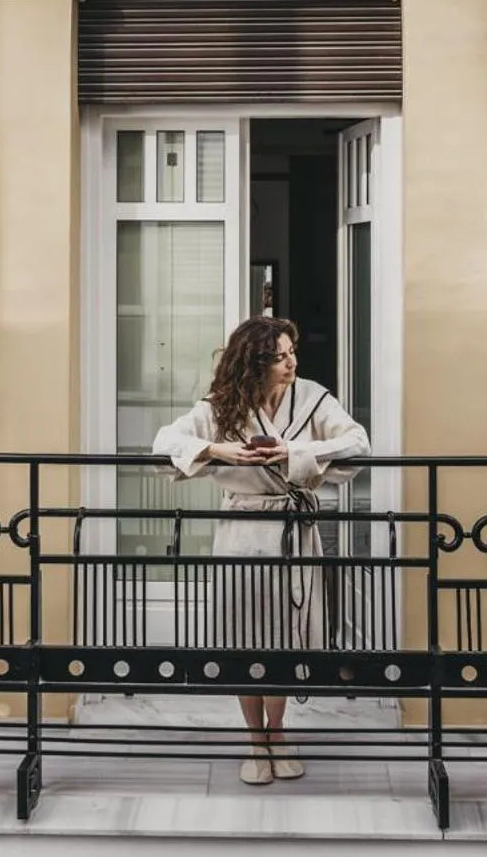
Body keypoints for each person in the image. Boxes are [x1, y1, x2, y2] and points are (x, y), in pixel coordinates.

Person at [152, 317, 369, 786]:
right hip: (243, 530)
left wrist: (293, 452)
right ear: (254, 363)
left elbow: (357, 441)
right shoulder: (221, 407)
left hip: (294, 529)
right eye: (280, 356)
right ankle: (254, 738)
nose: (292, 361)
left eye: (292, 351)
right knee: (247, 635)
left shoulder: (312, 397)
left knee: (288, 633)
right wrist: (217, 451)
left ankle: (279, 730)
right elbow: (165, 443)